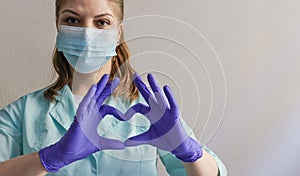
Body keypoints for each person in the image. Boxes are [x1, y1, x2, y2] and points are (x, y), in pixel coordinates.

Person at [0, 0, 227, 175]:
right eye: (72, 20)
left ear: (118, 32)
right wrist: (49, 158)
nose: (88, 33)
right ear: (58, 27)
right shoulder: (22, 113)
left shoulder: (148, 110)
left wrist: (189, 152)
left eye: (102, 22)